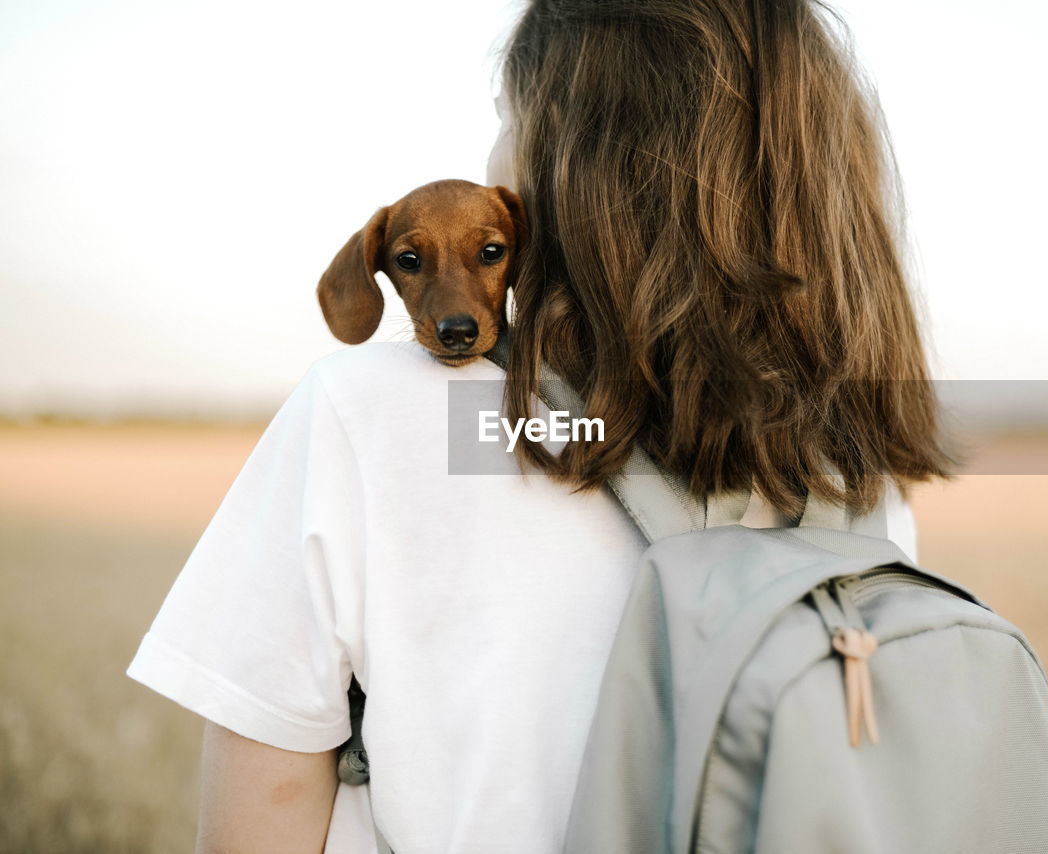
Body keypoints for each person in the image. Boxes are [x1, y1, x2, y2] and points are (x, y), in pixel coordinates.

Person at [127, 1, 953, 851]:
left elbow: (260, 812)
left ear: (575, 156)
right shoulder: (853, 466)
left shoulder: (366, 408)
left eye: (506, 114)